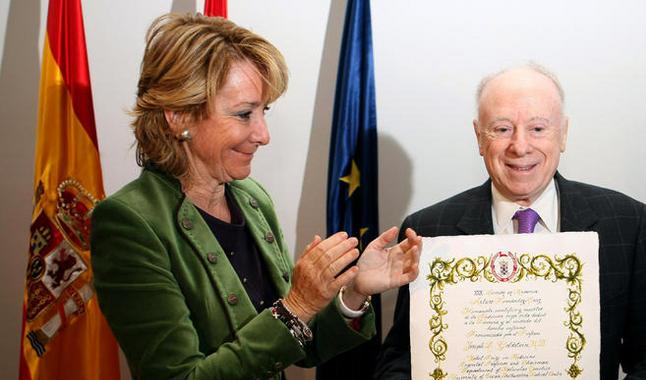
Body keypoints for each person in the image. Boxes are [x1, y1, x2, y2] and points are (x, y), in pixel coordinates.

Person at [90, 13, 421, 380]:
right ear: (179, 116)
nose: (263, 134)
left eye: (264, 111)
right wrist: (298, 304)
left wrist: (354, 290)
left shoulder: (251, 198)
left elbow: (299, 345)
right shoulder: (128, 222)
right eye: (244, 114)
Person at [374, 64, 646, 379]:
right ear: (479, 137)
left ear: (562, 134)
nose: (520, 146)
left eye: (538, 128)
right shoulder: (428, 230)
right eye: (502, 129)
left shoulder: (628, 223)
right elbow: (401, 361)